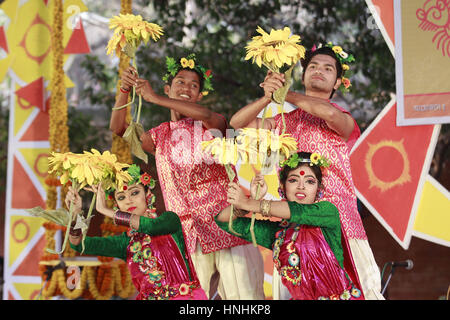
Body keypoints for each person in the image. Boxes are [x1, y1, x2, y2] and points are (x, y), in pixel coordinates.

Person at [230, 43, 383, 299]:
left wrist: (284, 93)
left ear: (337, 82)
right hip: (295, 227)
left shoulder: (343, 117)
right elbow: (237, 124)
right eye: (312, 66)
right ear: (303, 76)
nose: (318, 71)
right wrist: (267, 98)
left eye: (327, 68)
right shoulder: (284, 122)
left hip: (339, 227)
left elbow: (326, 113)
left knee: (362, 293)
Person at [109, 54, 265, 300]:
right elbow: (119, 129)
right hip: (188, 238)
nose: (187, 88)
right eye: (180, 82)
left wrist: (153, 98)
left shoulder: (215, 125)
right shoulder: (159, 136)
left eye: (194, 86)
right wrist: (125, 89)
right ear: (168, 88)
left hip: (230, 232)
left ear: (200, 95)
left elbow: (204, 114)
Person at [215, 152, 364, 300]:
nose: (301, 186)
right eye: (293, 180)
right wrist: (251, 201)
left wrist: (250, 203)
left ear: (318, 189)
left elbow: (297, 211)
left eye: (310, 181)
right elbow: (223, 220)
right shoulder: (279, 235)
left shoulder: (327, 213)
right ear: (282, 186)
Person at [66, 164, 207, 300]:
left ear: (147, 193)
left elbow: (151, 227)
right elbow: (78, 244)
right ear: (117, 205)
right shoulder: (125, 242)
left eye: (134, 192)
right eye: (121, 197)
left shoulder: (169, 220)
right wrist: (76, 215)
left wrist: (105, 210)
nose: (129, 201)